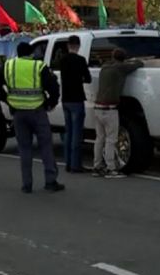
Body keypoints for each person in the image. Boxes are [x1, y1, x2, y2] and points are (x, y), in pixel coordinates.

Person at [0, 42, 64, 193]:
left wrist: (7, 99)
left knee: (24, 149)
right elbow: (54, 87)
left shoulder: (8, 66)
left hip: (18, 113)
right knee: (46, 146)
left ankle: (27, 184)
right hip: (37, 111)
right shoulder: (38, 66)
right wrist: (50, 102)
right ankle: (50, 181)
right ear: (31, 53)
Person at [92, 48, 143, 178]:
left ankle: (97, 166)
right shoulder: (121, 68)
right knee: (111, 139)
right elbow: (138, 64)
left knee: (99, 139)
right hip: (110, 109)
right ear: (123, 59)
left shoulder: (105, 67)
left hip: (98, 108)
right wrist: (136, 61)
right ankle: (111, 168)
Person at [59, 35, 91, 173]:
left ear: (68, 45)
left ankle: (67, 163)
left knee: (68, 132)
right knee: (77, 134)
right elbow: (88, 78)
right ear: (78, 46)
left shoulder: (62, 60)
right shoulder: (81, 60)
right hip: (77, 99)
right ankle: (75, 165)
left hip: (66, 98)